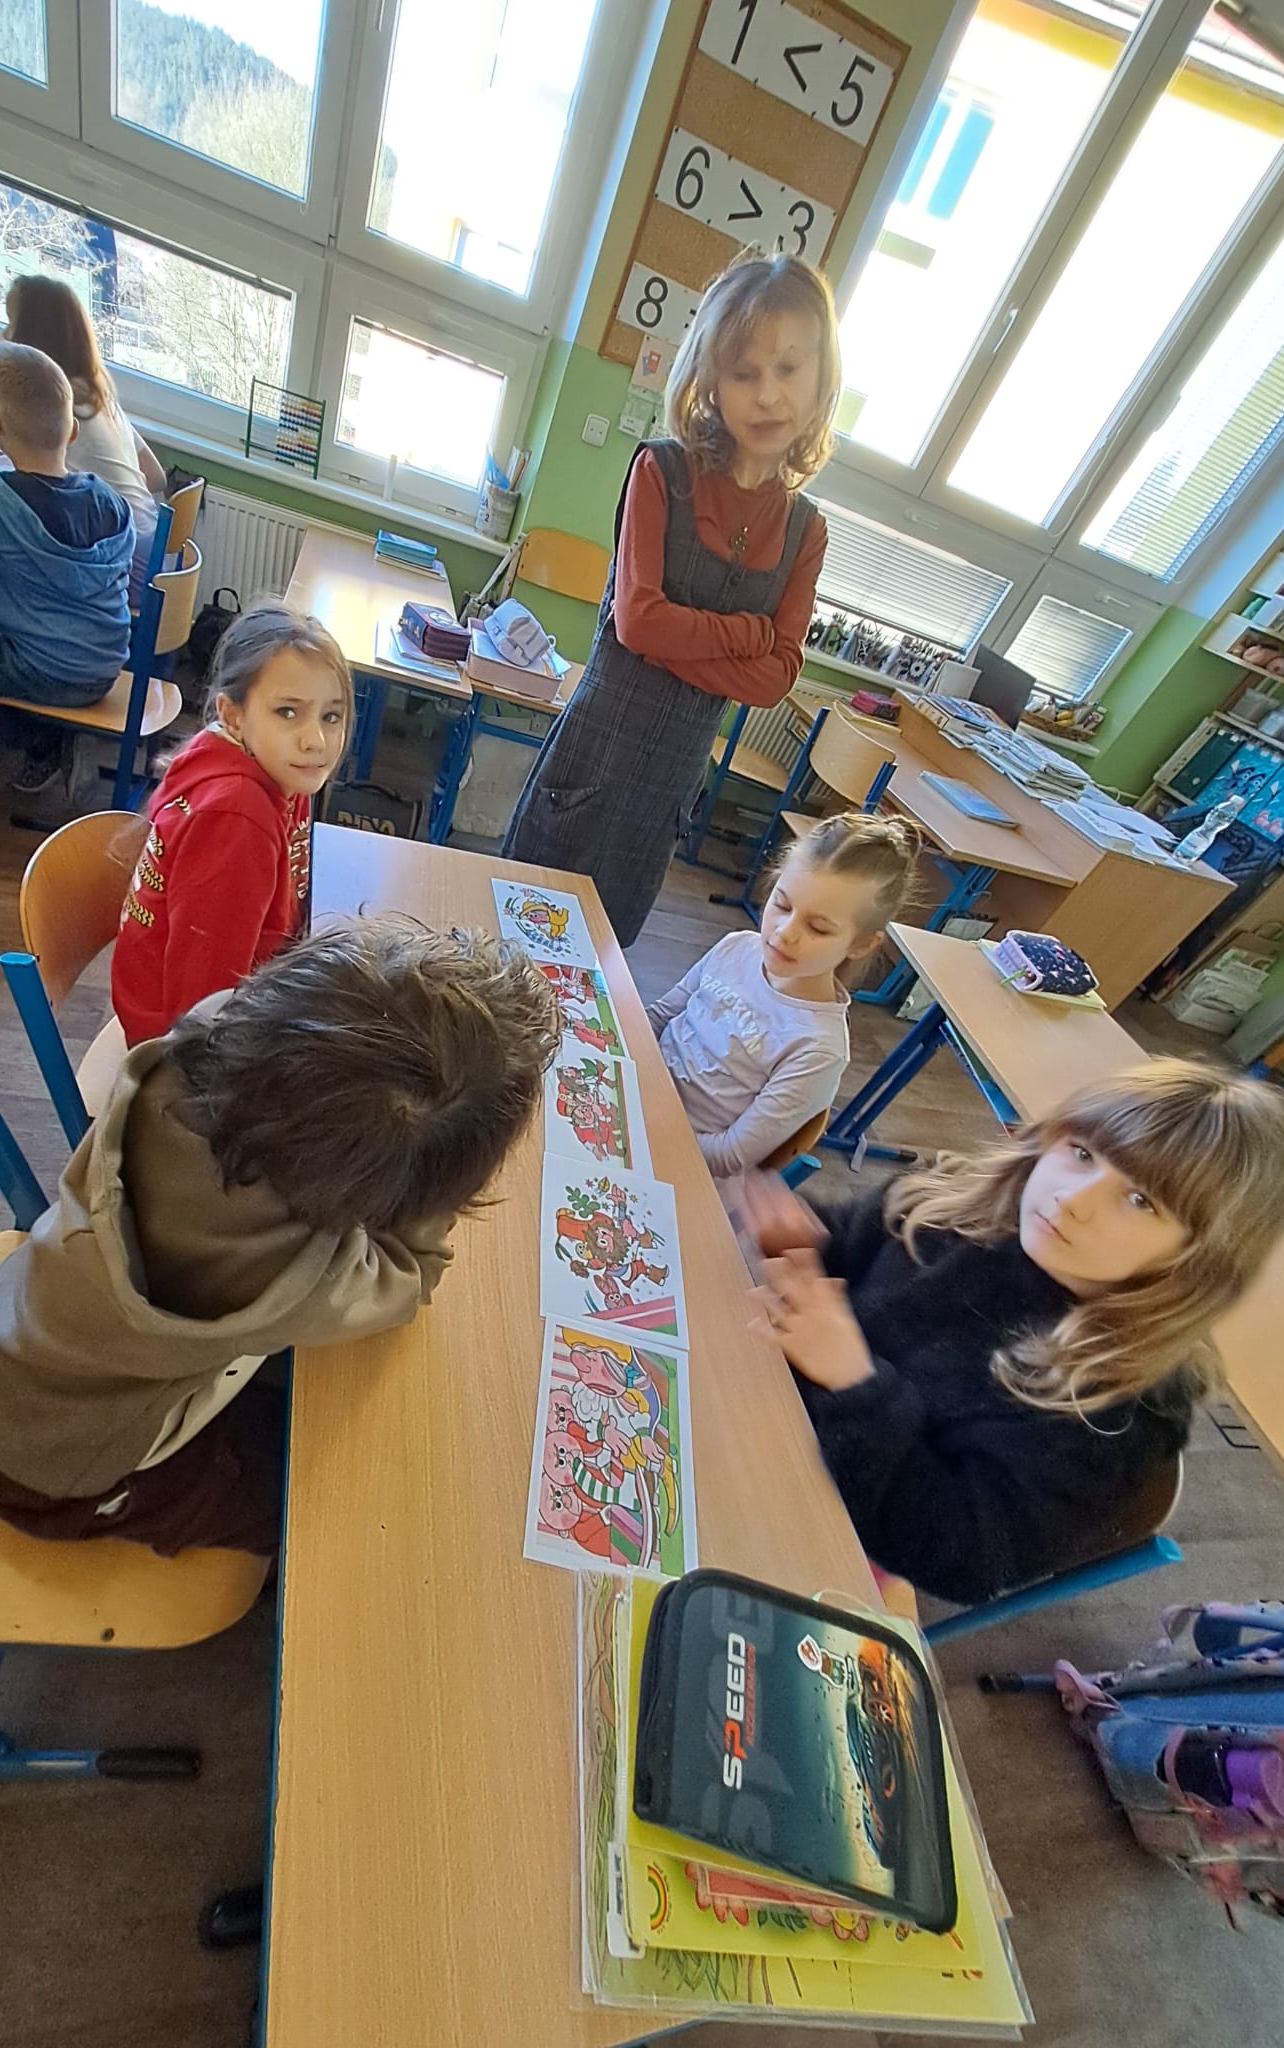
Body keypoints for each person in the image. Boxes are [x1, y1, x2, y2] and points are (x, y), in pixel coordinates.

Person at [0, 915, 560, 1561]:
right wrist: (427, 1197)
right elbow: (412, 1277)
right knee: (320, 1495)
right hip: (52, 1477)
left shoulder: (196, 1044)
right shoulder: (302, 1282)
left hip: (11, 1337)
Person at [742, 1059, 1284, 1605]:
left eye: (1140, 1201)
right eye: (1082, 1153)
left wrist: (853, 1382)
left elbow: (964, 1556)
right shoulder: (953, 1200)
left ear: (1196, 1261)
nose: (1073, 1201)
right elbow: (850, 1251)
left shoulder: (1116, 1420)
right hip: (768, 1409)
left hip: (833, 1524)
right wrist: (809, 1243)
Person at [502, 253, 837, 947]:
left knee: (603, 951)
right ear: (711, 379)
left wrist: (669, 641)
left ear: (821, 379)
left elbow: (777, 678)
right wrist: (746, 636)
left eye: (788, 369)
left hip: (666, 789)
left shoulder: (807, 531)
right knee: (514, 923)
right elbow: (637, 622)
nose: (767, 395)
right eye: (743, 372)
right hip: (592, 759)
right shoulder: (661, 470)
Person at [111, 605, 353, 1046]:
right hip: (184, 1046)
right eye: (288, 712)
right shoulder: (237, 820)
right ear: (233, 715)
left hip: (235, 1000)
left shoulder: (280, 766)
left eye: (330, 716)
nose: (315, 740)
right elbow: (202, 1010)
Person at [647, 813, 919, 1176]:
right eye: (782, 905)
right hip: (639, 1091)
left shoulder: (818, 1048)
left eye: (818, 928)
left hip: (680, 1160)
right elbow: (659, 1017)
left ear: (862, 944)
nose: (785, 932)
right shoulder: (736, 948)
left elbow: (728, 1156)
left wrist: (645, 1129)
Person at [0, 339, 135, 791]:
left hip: (41, 668)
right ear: (72, 431)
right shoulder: (113, 503)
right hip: (104, 667)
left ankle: (40, 741)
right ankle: (54, 734)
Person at [3, 273, 166, 598]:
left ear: (31, 338)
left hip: (123, 570)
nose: (4, 335)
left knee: (5, 571)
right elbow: (156, 476)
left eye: (10, 324)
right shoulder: (98, 397)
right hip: (152, 557)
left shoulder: (57, 406)